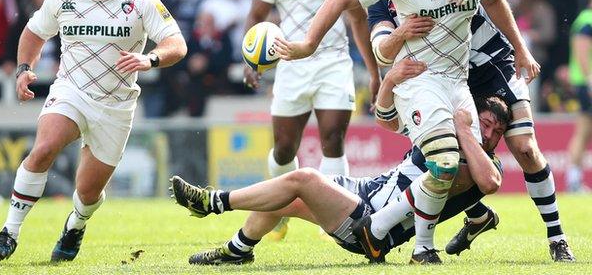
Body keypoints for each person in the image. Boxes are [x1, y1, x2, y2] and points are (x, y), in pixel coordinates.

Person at [274, 0, 540, 263]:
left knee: (468, 171)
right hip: (419, 82)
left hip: (458, 83)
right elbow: (356, 20)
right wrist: (309, 44)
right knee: (443, 163)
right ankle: (380, 229)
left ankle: (428, 244)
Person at [351, 0, 574, 262]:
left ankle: (557, 238)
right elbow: (380, 46)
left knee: (525, 148)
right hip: (448, 81)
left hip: (492, 63)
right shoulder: (382, 2)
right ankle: (461, 223)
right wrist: (387, 65)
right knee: (445, 161)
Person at [168, 61, 509, 265]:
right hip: (364, 192)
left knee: (303, 178)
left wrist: (465, 129)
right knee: (284, 195)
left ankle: (213, 202)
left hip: (373, 226)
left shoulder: (480, 164)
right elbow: (386, 120)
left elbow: (488, 182)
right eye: (486, 123)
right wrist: (389, 79)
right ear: (476, 117)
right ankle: (237, 251)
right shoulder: (442, 135)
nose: (490, 133)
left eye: (497, 130)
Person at [0, 0, 187, 263]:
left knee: (89, 192)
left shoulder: (142, 1)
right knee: (44, 148)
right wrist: (23, 69)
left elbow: (177, 43)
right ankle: (9, 232)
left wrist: (151, 59)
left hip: (117, 104)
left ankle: (75, 224)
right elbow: (34, 33)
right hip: (71, 91)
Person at [242, 0, 380, 238]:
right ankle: (281, 211)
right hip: (291, 65)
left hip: (333, 62)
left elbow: (357, 20)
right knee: (283, 150)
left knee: (333, 139)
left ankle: (334, 218)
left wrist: (373, 72)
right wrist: (248, 60)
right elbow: (256, 16)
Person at [567, 0, 592, 192]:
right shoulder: (587, 21)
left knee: (584, 132)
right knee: (583, 132)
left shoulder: (583, 19)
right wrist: (589, 79)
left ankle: (574, 180)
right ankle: (573, 181)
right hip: (587, 83)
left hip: (584, 82)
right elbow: (581, 50)